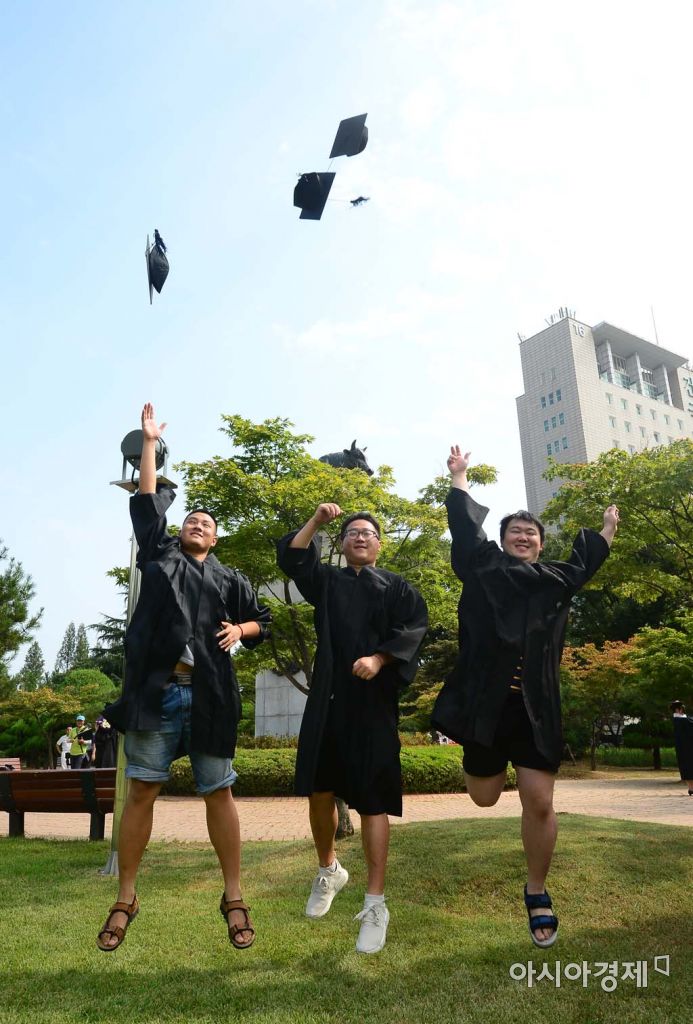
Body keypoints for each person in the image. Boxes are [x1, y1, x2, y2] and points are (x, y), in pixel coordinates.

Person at [97, 403, 271, 953]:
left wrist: (241, 628)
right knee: (142, 790)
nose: (198, 524)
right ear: (181, 530)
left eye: (207, 524)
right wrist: (149, 444)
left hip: (210, 696)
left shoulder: (229, 578)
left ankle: (234, 895)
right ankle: (126, 896)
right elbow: (147, 501)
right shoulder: (159, 554)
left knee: (219, 791)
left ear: (215, 540)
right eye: (192, 519)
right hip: (157, 694)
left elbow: (263, 622)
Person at [432, 446, 619, 948]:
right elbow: (465, 531)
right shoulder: (482, 568)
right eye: (515, 530)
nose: (523, 536)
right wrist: (460, 477)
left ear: (539, 544)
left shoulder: (555, 581)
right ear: (504, 539)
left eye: (531, 533)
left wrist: (606, 530)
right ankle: (483, 763)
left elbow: (584, 564)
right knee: (484, 797)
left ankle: (537, 891)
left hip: (536, 708)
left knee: (539, 802)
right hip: (485, 708)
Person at [277, 503, 428, 954]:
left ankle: (375, 903)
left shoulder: (397, 587)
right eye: (352, 533)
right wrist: (316, 521)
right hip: (327, 700)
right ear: (341, 545)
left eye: (368, 533)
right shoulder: (327, 582)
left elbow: (414, 629)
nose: (360, 537)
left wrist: (380, 658)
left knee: (373, 800)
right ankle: (329, 869)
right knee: (319, 790)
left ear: (379, 544)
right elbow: (293, 558)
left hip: (373, 705)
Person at [670, 701, 693, 795]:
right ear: (678, 710)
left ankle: (691, 788)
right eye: (682, 708)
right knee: (688, 767)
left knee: (686, 768)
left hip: (682, 748)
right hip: (688, 747)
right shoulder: (681, 720)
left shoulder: (678, 719)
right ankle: (691, 788)